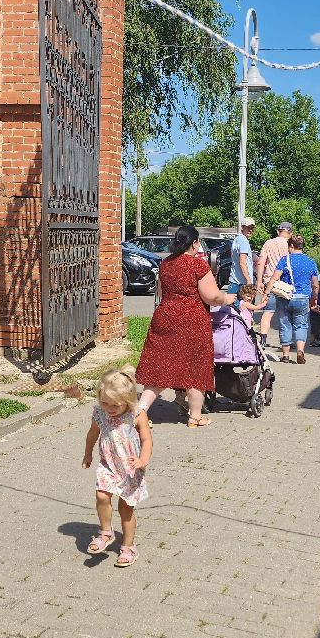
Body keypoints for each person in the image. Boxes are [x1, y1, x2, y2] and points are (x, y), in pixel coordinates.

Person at [136, 225, 239, 426]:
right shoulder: (198, 265)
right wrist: (227, 298)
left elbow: (160, 290)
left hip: (165, 317)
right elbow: (212, 296)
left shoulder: (165, 263)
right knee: (195, 368)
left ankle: (140, 411)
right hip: (192, 321)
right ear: (194, 243)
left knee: (160, 367)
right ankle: (195, 416)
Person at [83, 367, 152, 568]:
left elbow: (147, 439)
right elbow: (92, 434)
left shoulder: (137, 415)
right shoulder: (100, 414)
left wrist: (143, 460)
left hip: (130, 468)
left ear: (128, 401)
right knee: (102, 496)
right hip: (108, 464)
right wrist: (87, 453)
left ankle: (129, 546)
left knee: (125, 508)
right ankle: (106, 532)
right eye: (105, 402)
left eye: (115, 405)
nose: (109, 408)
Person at [275, 235, 320, 364]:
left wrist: (266, 292)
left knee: (285, 325)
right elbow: (315, 284)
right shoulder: (310, 261)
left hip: (285, 297)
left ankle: (285, 355)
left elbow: (275, 278)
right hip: (302, 298)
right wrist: (314, 298)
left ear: (291, 246)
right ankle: (300, 351)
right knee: (301, 325)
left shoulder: (285, 260)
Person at [255, 220, 293, 349]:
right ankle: (287, 342)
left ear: (278, 231)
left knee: (268, 311)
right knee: (286, 313)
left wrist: (259, 280)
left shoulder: (268, 243)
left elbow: (261, 262)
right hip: (284, 284)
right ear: (290, 232)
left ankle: (263, 339)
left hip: (269, 281)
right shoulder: (290, 245)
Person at [228, 217, 255, 294]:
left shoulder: (236, 239)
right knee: (247, 306)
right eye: (248, 227)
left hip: (234, 281)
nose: (250, 230)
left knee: (231, 305)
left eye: (252, 228)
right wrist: (248, 281)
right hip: (242, 284)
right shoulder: (244, 241)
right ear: (242, 227)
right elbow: (242, 262)